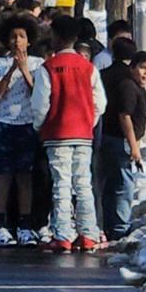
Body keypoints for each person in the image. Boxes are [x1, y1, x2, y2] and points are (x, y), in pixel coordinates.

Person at [31, 15, 107, 252]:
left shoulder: (48, 68)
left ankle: (63, 234)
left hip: (57, 134)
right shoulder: (89, 68)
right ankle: (88, 233)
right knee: (83, 184)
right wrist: (88, 121)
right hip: (83, 134)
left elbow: (40, 104)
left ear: (55, 36)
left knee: (61, 184)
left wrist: (40, 126)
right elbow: (100, 103)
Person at [0, 15, 44, 245]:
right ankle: (0, 224)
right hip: (4, 122)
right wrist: (12, 69)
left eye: (21, 37)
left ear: (29, 40)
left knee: (25, 176)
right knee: (4, 174)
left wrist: (25, 70)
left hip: (28, 123)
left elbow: (38, 92)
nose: (17, 41)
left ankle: (25, 224)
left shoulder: (39, 63)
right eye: (13, 37)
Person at [101, 50, 146, 241]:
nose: (145, 73)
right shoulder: (129, 87)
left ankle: (111, 224)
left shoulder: (137, 87)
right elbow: (125, 116)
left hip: (121, 141)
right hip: (119, 140)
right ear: (132, 67)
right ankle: (119, 227)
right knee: (124, 185)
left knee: (116, 183)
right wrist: (134, 146)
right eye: (142, 67)